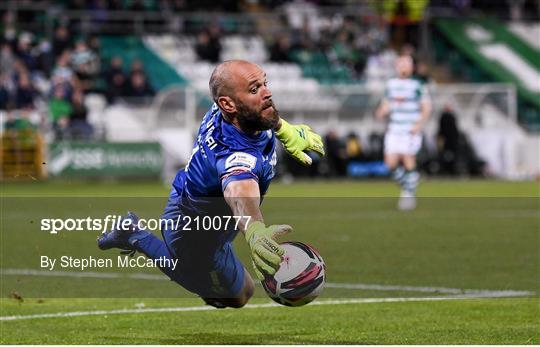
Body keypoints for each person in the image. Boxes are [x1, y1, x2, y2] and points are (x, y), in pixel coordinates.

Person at [98, 60, 325, 308]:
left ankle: (203, 277)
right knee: (237, 297)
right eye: (254, 89)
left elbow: (261, 116)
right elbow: (239, 190)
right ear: (228, 104)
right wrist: (255, 231)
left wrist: (285, 130)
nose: (267, 92)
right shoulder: (234, 156)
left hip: (206, 216)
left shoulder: (236, 114)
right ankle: (135, 235)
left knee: (243, 289)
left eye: (264, 83)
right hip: (193, 233)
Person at [375, 54, 431, 210]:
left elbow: (426, 107)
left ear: (412, 67)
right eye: (401, 64)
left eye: (407, 64)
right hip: (394, 129)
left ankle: (408, 194)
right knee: (390, 164)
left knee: (407, 158)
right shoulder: (391, 85)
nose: (404, 67)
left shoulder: (418, 85)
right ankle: (410, 183)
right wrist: (381, 111)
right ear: (396, 66)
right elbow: (387, 104)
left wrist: (419, 124)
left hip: (409, 129)